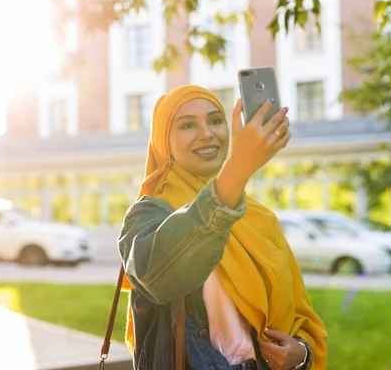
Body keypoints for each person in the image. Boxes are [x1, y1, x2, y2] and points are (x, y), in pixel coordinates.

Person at [118, 85, 327, 370]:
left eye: (216, 120)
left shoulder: (259, 217)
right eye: (188, 125)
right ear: (163, 142)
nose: (207, 133)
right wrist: (237, 168)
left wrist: (300, 353)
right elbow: (157, 274)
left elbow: (302, 318)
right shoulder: (148, 215)